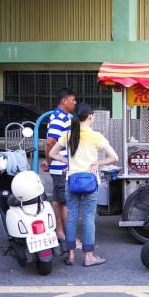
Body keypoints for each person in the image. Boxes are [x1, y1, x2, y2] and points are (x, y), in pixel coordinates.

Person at [49, 102, 119, 266]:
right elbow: (114, 157)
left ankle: (71, 254)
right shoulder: (96, 136)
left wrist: (66, 160)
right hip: (90, 181)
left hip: (71, 181)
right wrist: (98, 163)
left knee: (72, 218)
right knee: (88, 219)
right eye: (93, 114)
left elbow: (53, 153)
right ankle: (89, 257)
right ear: (90, 117)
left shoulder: (69, 134)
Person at [40, 87, 78, 247]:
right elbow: (50, 142)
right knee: (64, 202)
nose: (75, 103)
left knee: (58, 200)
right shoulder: (59, 118)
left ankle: (60, 232)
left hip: (60, 166)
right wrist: (49, 161)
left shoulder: (64, 116)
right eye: (73, 100)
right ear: (64, 101)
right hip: (61, 166)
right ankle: (68, 238)